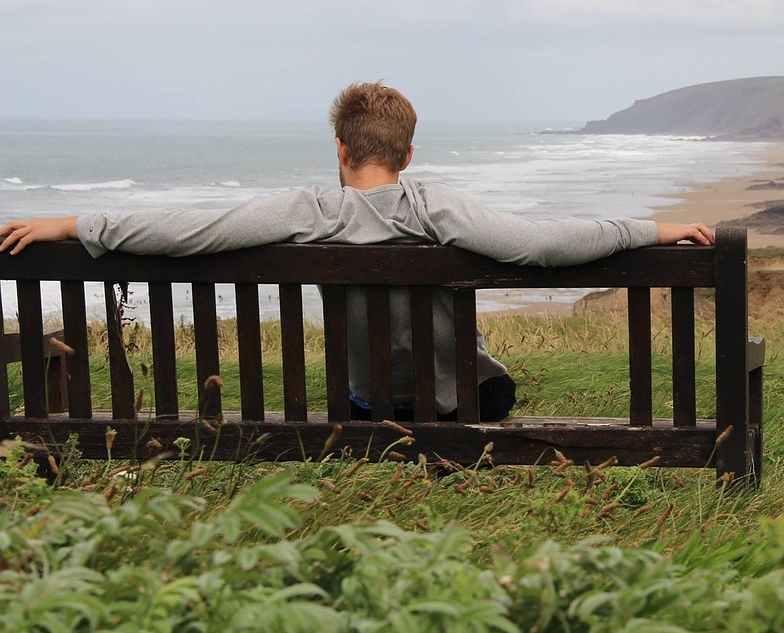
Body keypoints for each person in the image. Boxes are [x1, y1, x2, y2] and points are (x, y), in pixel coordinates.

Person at [0, 81, 714, 423]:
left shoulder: (311, 213)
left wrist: (75, 222)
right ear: (408, 152)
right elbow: (543, 245)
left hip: (365, 405)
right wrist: (650, 230)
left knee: (368, 385)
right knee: (488, 381)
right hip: (461, 402)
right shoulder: (436, 208)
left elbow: (191, 231)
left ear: (340, 149)